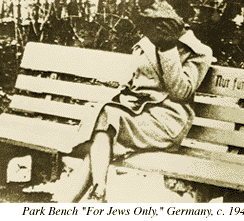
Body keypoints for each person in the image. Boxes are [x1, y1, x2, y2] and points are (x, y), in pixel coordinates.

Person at [60, 0, 215, 203]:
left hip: (166, 121)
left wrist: (168, 49)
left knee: (102, 131)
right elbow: (135, 82)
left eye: (160, 19)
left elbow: (181, 93)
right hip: (138, 115)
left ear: (178, 19)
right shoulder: (147, 42)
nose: (154, 25)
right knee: (103, 128)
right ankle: (92, 195)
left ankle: (83, 199)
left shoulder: (198, 51)